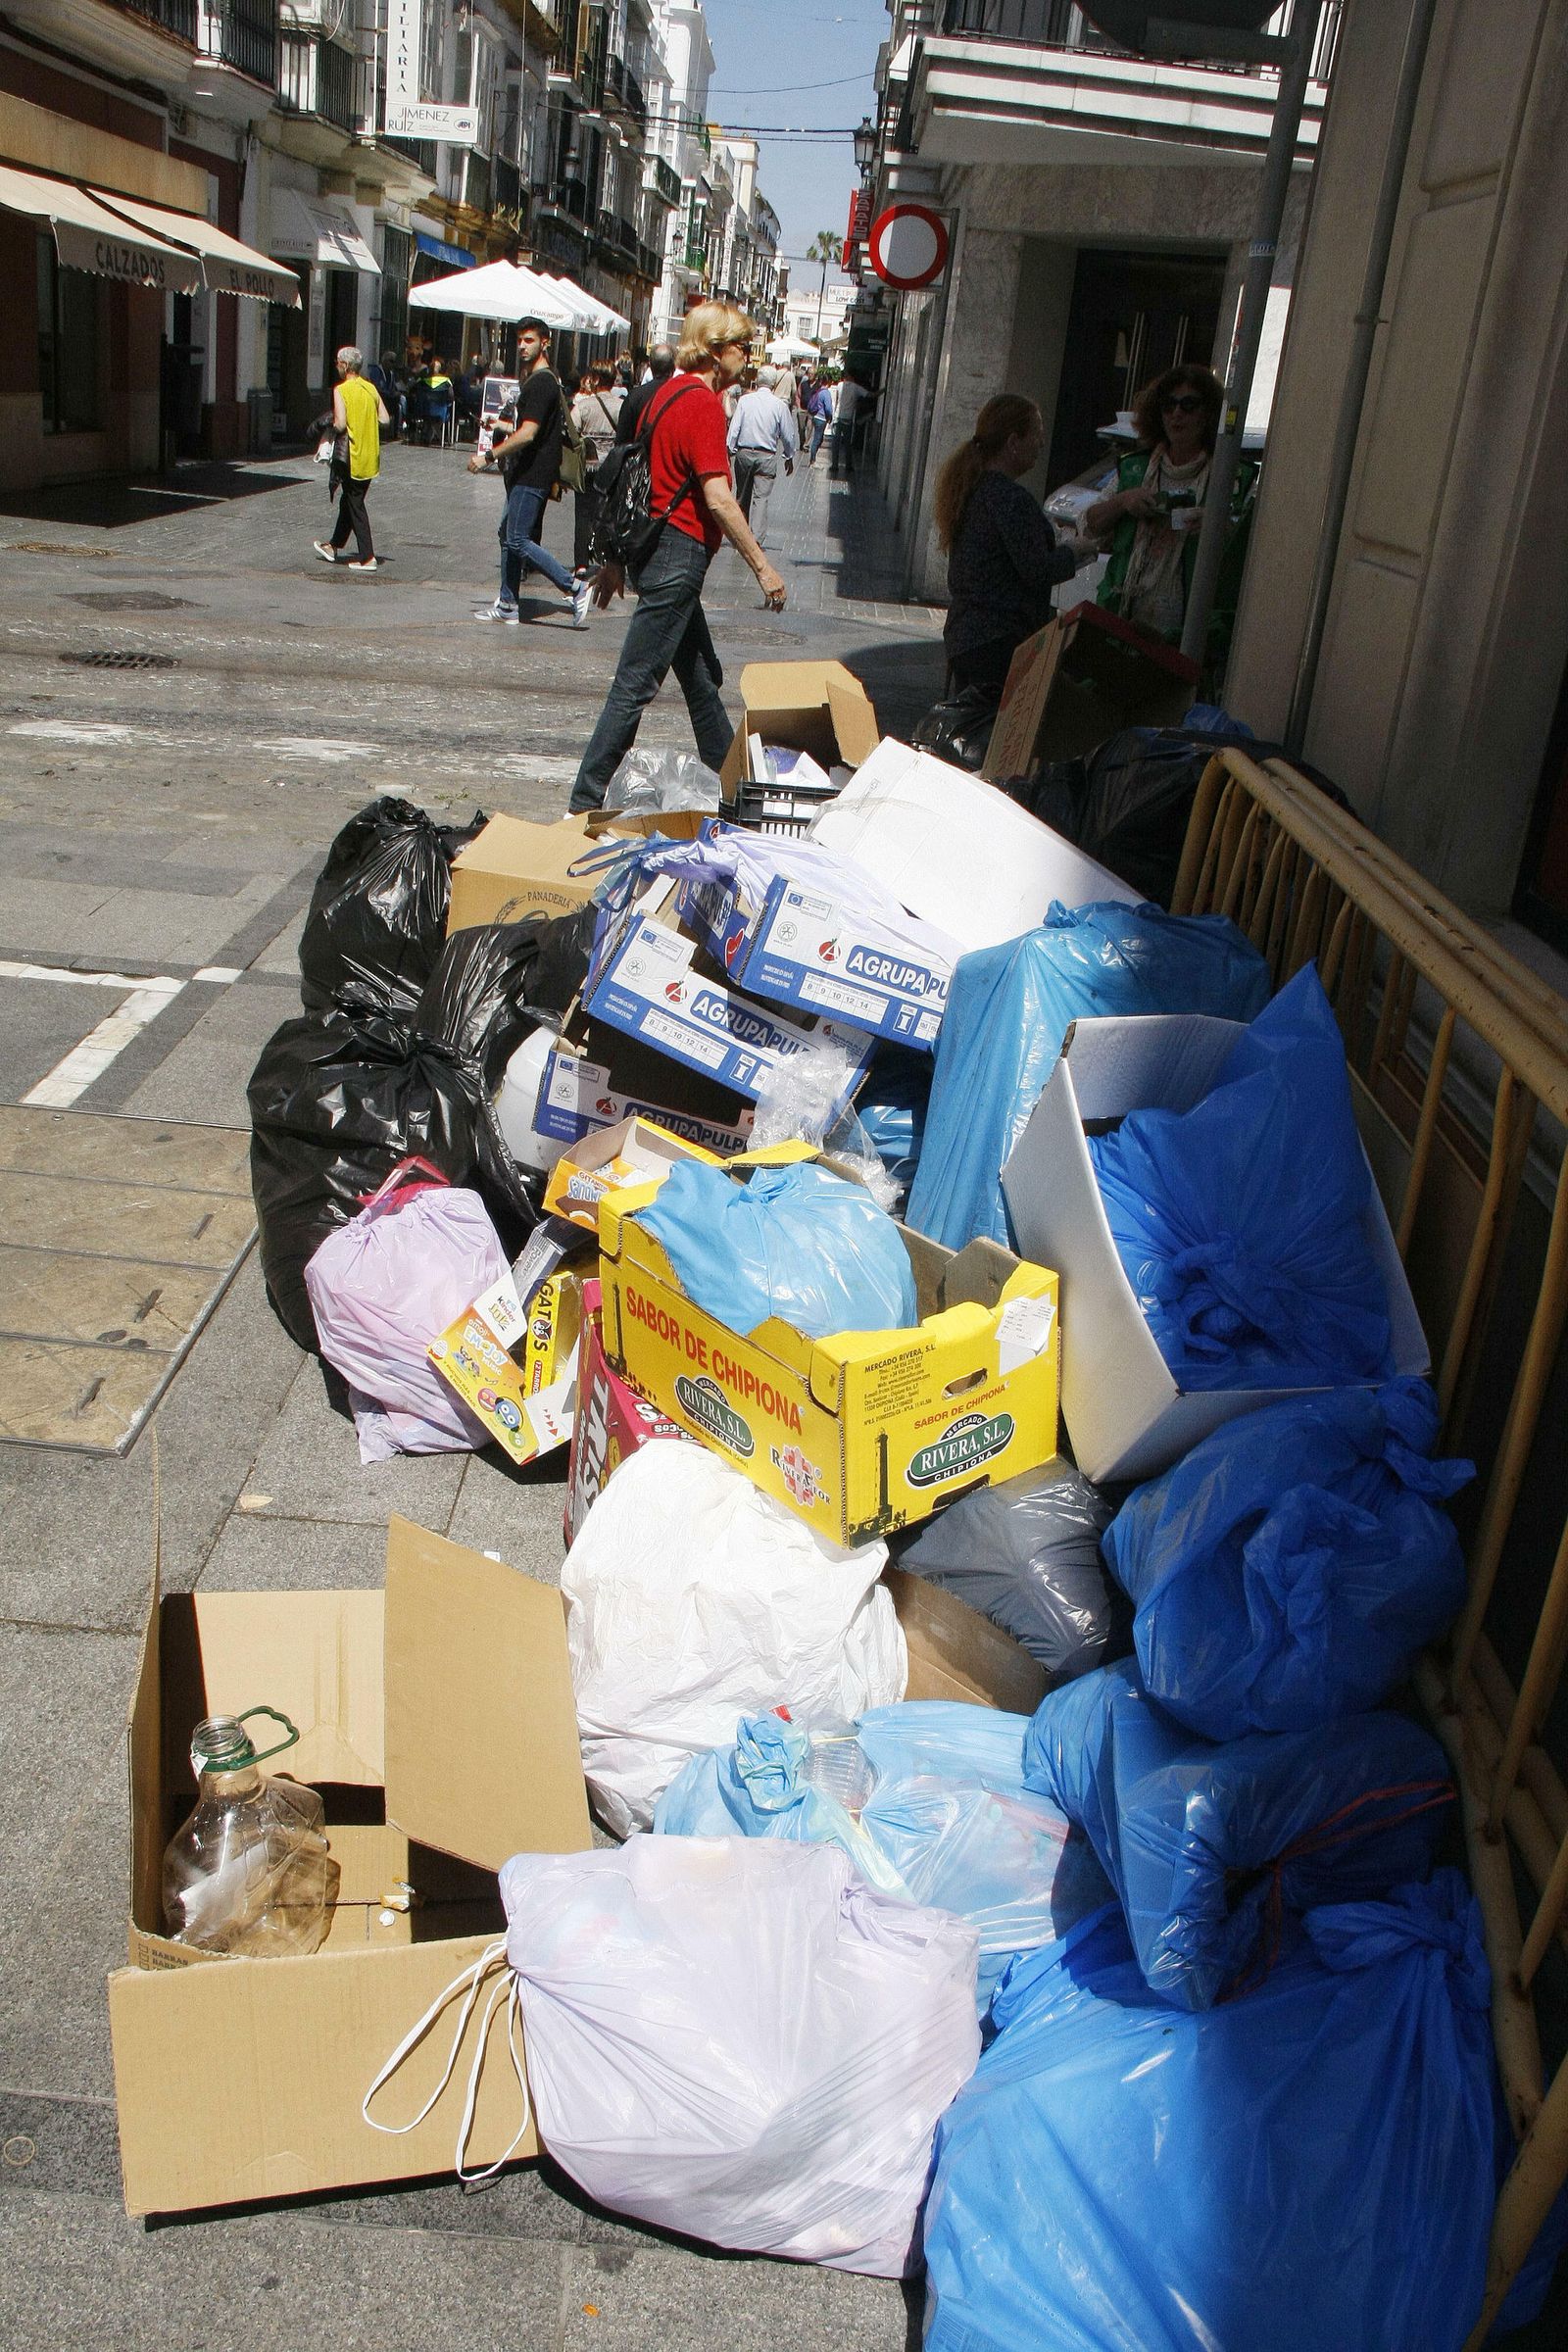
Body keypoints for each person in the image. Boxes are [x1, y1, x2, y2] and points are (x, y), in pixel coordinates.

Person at [568, 302, 787, 813]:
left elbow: (635, 482)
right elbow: (719, 498)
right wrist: (763, 568)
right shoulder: (703, 405)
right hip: (678, 558)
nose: (748, 356)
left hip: (656, 553)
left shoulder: (662, 394)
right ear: (715, 349)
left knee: (700, 680)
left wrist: (618, 561)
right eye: (742, 346)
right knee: (634, 685)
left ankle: (739, 795)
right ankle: (583, 802)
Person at [1086, 362, 1255, 650]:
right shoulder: (1136, 469)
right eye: (1168, 405)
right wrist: (1124, 501)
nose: (1177, 413)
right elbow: (1090, 525)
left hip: (1189, 639)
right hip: (1123, 626)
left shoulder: (1232, 478)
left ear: (1208, 414)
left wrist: (1219, 526)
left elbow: (1251, 556)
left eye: (1189, 405)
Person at [934, 394, 1081, 696]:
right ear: (1014, 442)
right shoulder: (1010, 499)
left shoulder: (974, 489)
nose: (1042, 444)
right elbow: (1037, 570)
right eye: (1037, 435)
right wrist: (1076, 552)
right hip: (998, 643)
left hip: (967, 637)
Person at [468, 317, 592, 628]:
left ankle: (575, 587)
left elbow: (528, 434)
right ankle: (508, 604)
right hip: (527, 470)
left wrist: (488, 456)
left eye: (529, 340)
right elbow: (529, 426)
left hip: (532, 472)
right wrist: (500, 425)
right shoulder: (541, 380)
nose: (522, 346)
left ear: (544, 343)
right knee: (507, 536)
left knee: (518, 539)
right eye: (520, 340)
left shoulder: (541, 383)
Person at [313, 346, 390, 571]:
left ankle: (367, 557)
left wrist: (328, 424)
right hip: (371, 455)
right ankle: (333, 546)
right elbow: (385, 419)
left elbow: (340, 424)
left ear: (346, 366)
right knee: (349, 501)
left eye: (338, 362)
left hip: (352, 455)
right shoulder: (370, 388)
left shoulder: (341, 390)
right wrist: (367, 420)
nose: (336, 366)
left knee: (355, 505)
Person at [726, 364, 796, 549]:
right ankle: (755, 539)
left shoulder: (745, 401)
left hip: (744, 453)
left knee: (742, 495)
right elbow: (788, 435)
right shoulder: (779, 405)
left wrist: (729, 449)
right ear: (774, 384)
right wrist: (789, 456)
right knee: (761, 498)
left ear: (757, 380)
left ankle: (740, 536)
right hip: (767, 457)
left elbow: (735, 428)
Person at [571, 361, 624, 571]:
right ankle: (607, 559)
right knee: (609, 515)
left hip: (588, 468)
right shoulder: (620, 406)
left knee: (583, 515)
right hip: (611, 469)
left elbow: (571, 432)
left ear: (595, 379)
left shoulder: (583, 406)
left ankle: (581, 563)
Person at [617, 341, 675, 441]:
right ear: (673, 367)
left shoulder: (635, 396)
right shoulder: (680, 397)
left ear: (650, 366)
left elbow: (622, 437)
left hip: (639, 449)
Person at [828, 371, 869, 476]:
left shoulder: (840, 385)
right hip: (848, 419)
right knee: (848, 444)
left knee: (835, 443)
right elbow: (869, 395)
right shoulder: (857, 388)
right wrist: (883, 390)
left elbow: (836, 399)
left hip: (837, 418)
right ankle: (848, 465)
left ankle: (834, 465)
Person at [805, 375, 833, 466]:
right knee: (817, 439)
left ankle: (813, 459)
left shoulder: (819, 391)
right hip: (822, 418)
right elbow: (828, 408)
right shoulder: (826, 393)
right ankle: (812, 461)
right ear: (829, 382)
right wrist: (830, 416)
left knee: (818, 439)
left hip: (815, 416)